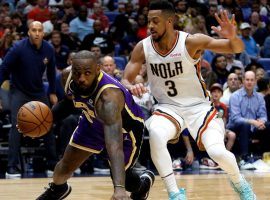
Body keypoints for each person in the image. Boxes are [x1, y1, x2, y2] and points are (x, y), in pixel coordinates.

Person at [121, 1, 256, 199]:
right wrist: (131, 86)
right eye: (149, 21)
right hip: (167, 108)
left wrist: (232, 36)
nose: (150, 26)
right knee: (156, 135)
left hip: (200, 108)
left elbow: (235, 48)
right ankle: (175, 193)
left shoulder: (190, 42)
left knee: (217, 152)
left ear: (169, 21)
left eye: (155, 21)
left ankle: (241, 184)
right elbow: (125, 79)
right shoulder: (143, 47)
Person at [36, 50, 155, 200]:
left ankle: (144, 183)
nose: (81, 79)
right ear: (71, 69)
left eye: (87, 73)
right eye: (77, 73)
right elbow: (68, 103)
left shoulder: (109, 98)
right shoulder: (68, 77)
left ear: (98, 69)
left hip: (125, 132)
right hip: (92, 122)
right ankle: (58, 189)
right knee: (62, 169)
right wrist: (44, 121)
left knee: (126, 181)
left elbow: (114, 145)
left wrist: (119, 189)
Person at [0, 21, 58, 178]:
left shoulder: (48, 49)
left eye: (40, 30)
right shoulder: (18, 49)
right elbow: (3, 69)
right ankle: (12, 167)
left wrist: (52, 92)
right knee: (16, 126)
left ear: (43, 33)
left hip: (38, 91)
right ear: (28, 32)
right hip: (19, 91)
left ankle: (52, 164)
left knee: (47, 125)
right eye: (34, 30)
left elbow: (52, 72)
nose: (37, 33)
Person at [227, 71, 268, 169]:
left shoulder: (260, 97)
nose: (249, 82)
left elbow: (263, 116)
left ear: (255, 82)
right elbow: (235, 118)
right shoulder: (235, 96)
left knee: (268, 125)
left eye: (252, 80)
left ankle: (264, 157)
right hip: (235, 127)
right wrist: (253, 121)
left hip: (254, 126)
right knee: (245, 125)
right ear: (243, 81)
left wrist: (261, 122)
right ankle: (244, 159)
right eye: (247, 80)